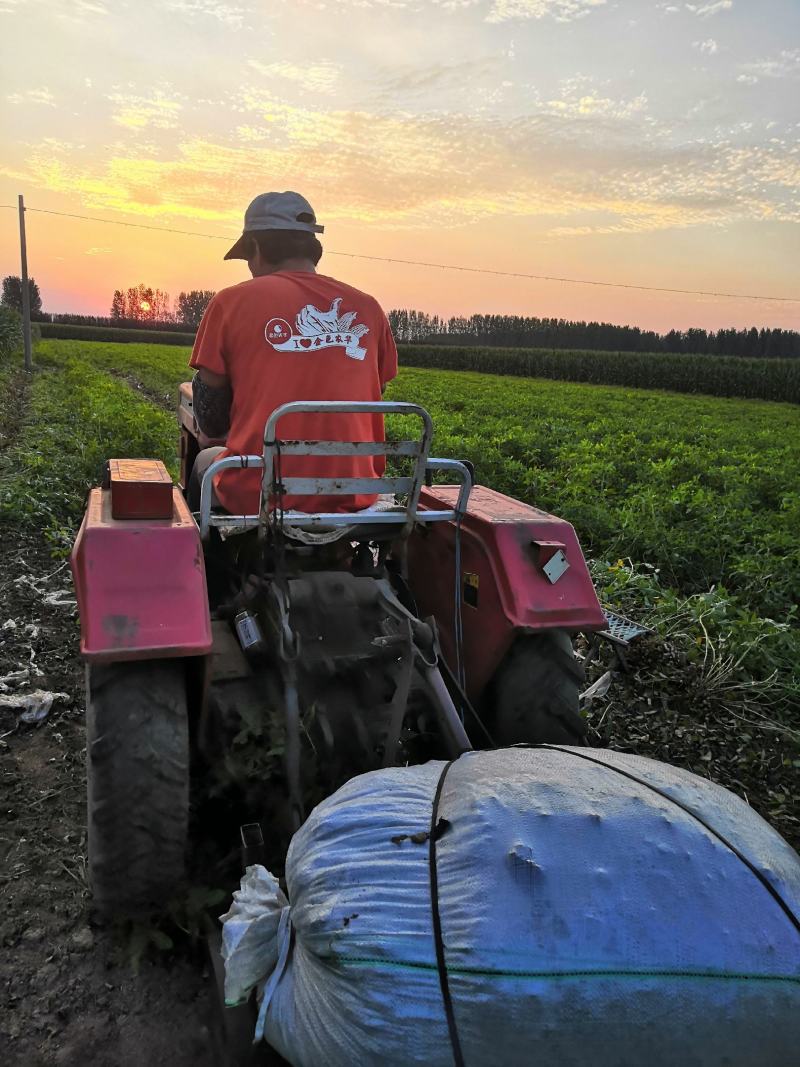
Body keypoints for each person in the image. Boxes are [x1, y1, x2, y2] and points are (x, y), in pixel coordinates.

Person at [187, 191, 398, 515]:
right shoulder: (369, 308)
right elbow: (374, 392)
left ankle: (208, 561)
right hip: (356, 491)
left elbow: (211, 421)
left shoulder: (230, 302)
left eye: (247, 258)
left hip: (260, 492)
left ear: (255, 247)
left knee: (204, 459)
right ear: (312, 248)